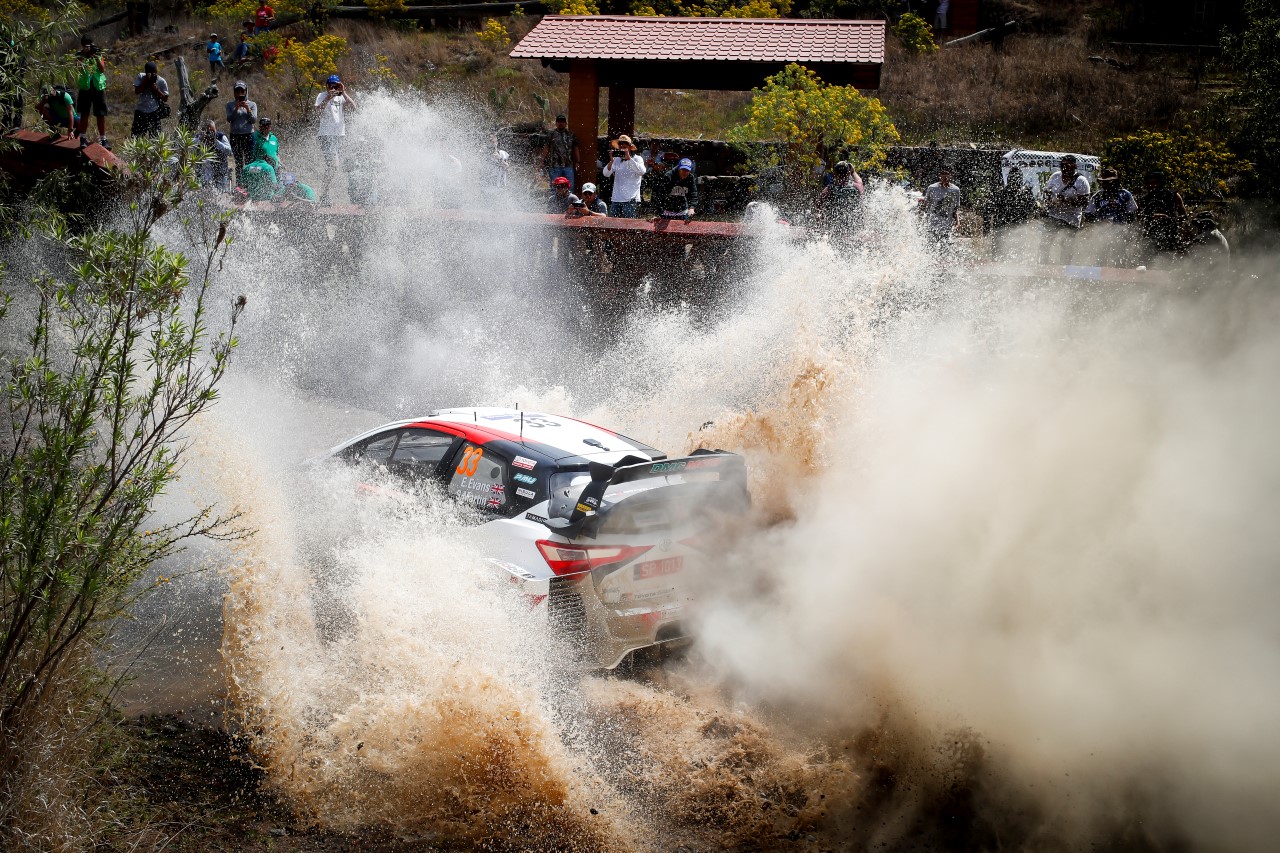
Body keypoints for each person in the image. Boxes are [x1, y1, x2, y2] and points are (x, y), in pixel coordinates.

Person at [315, 73, 357, 204]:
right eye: (330, 86)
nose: (333, 89)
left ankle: (352, 194)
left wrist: (343, 92)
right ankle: (324, 194)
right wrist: (328, 97)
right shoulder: (322, 95)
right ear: (326, 86)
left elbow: (354, 108)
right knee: (333, 165)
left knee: (346, 165)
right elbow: (316, 111)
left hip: (340, 135)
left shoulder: (341, 97)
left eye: (335, 86)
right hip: (326, 135)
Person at [1040, 154, 1090, 263]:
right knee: (1045, 243)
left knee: (1067, 246)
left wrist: (1066, 200)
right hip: (1054, 215)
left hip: (1071, 218)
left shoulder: (1081, 181)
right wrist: (1049, 202)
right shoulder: (1055, 176)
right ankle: (1043, 264)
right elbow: (1047, 193)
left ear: (1074, 166)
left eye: (1067, 165)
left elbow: (1084, 202)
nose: (1064, 168)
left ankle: (1065, 267)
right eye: (1062, 165)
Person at [1084, 167, 1138, 266]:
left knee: (1120, 257)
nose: (1107, 184)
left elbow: (1132, 213)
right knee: (1101, 257)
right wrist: (1099, 222)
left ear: (1116, 181)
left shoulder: (1125, 194)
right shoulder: (1097, 196)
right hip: (1102, 233)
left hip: (1121, 232)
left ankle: (1120, 272)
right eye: (1105, 182)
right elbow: (1088, 214)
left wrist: (1125, 227)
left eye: (1110, 181)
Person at [1136, 169, 1187, 264]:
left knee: (1170, 261)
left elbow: (1183, 216)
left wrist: (1168, 218)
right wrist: (1138, 240)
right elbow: (1139, 219)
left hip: (1170, 234)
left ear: (1161, 182)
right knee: (1149, 262)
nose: (1152, 185)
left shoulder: (1173, 195)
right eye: (1149, 183)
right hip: (1150, 235)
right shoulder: (1144, 199)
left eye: (1155, 183)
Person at [74, 35, 109, 148]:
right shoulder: (79, 55)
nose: (88, 47)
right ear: (82, 45)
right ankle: (83, 138)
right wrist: (84, 55)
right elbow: (78, 67)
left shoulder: (97, 53)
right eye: (86, 45)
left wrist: (95, 56)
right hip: (85, 88)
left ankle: (103, 139)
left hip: (98, 87)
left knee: (100, 114)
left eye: (89, 45)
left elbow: (102, 69)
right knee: (84, 113)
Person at [602, 134, 645, 217]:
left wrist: (629, 159)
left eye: (624, 147)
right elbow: (606, 174)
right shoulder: (616, 160)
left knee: (629, 224)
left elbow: (642, 172)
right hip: (616, 199)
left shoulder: (637, 158)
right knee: (613, 224)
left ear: (630, 148)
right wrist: (611, 161)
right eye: (620, 146)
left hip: (631, 199)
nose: (622, 148)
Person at [814, 160, 864, 230]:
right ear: (848, 173)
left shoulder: (828, 189)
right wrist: (853, 172)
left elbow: (818, 207)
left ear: (835, 174)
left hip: (833, 227)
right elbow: (860, 181)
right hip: (852, 227)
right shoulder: (856, 187)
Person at [225, 80, 257, 187]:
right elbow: (229, 119)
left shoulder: (252, 104)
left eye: (242, 91)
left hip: (248, 135)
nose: (239, 93)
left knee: (249, 161)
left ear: (245, 91)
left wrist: (247, 109)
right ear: (234, 92)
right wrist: (236, 108)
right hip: (235, 136)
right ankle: (239, 185)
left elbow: (253, 120)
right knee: (238, 162)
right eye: (237, 91)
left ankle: (250, 185)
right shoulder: (230, 105)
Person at [921, 166, 961, 243]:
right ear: (939, 175)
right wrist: (921, 218)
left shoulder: (955, 190)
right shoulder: (932, 188)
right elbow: (925, 205)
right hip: (932, 224)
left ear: (951, 176)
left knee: (945, 246)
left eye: (947, 174)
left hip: (946, 226)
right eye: (943, 174)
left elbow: (955, 209)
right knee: (931, 245)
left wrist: (958, 222)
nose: (945, 176)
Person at [130, 61, 169, 138]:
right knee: (136, 137)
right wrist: (145, 82)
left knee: (155, 137)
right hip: (141, 110)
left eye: (153, 73)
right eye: (149, 73)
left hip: (154, 111)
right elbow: (137, 91)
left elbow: (165, 98)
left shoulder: (161, 81)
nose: (152, 75)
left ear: (156, 72)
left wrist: (156, 89)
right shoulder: (141, 77)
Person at [541, 113, 579, 190]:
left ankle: (569, 198)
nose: (561, 123)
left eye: (562, 121)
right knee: (554, 187)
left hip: (568, 165)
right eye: (559, 121)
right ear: (556, 123)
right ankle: (555, 198)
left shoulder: (570, 134)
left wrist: (578, 161)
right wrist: (542, 161)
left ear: (566, 123)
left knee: (570, 187)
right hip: (554, 166)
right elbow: (546, 148)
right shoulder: (551, 134)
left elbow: (576, 148)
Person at [197, 120, 232, 191]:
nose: (210, 134)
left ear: (215, 129)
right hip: (205, 170)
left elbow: (229, 151)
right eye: (208, 132)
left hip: (220, 169)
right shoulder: (200, 137)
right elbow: (188, 146)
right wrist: (200, 139)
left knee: (220, 191)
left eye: (212, 131)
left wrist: (216, 142)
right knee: (204, 191)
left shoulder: (221, 136)